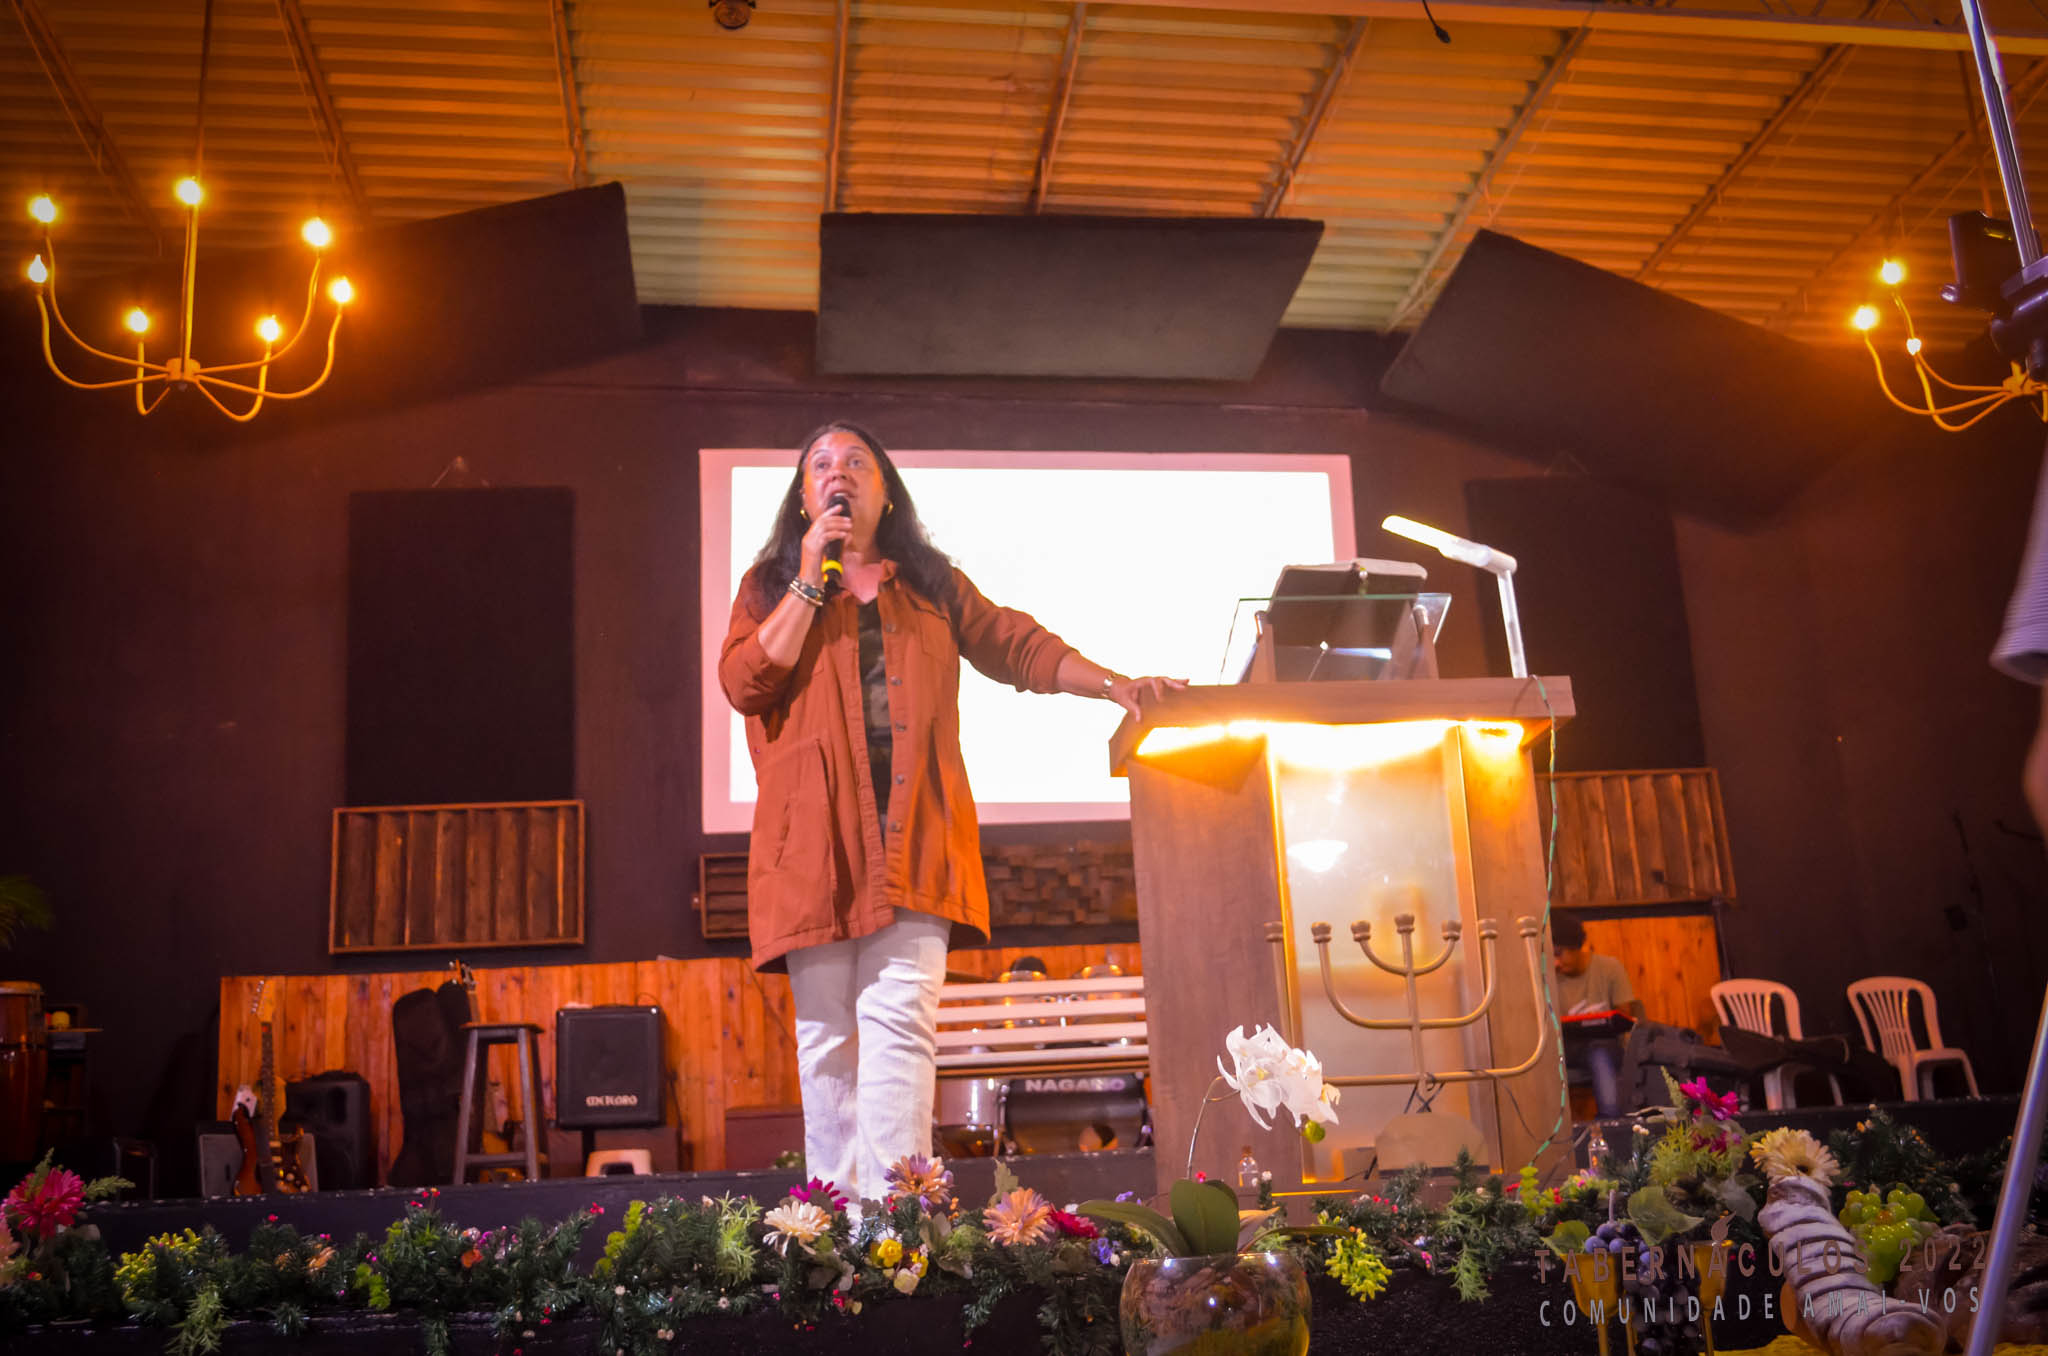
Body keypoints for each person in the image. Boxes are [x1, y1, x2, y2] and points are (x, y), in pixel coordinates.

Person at [718, 421, 1183, 1203]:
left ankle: (896, 1228)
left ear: (886, 491)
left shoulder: (933, 586)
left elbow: (1019, 646)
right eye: (821, 465)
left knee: (901, 1036)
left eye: (857, 462)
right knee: (828, 1046)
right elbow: (744, 683)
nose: (839, 473)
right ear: (804, 499)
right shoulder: (770, 586)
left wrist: (1115, 685)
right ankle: (836, 1232)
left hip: (915, 849)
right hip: (812, 857)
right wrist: (806, 580)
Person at [1551, 913, 1643, 1117]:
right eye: (1551, 956)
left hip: (1605, 1045)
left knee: (1600, 1052)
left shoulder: (1609, 968)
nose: (1555, 963)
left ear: (1576, 946)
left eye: (1558, 953)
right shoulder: (1549, 977)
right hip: (1565, 1047)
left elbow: (1624, 1016)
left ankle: (1610, 1120)